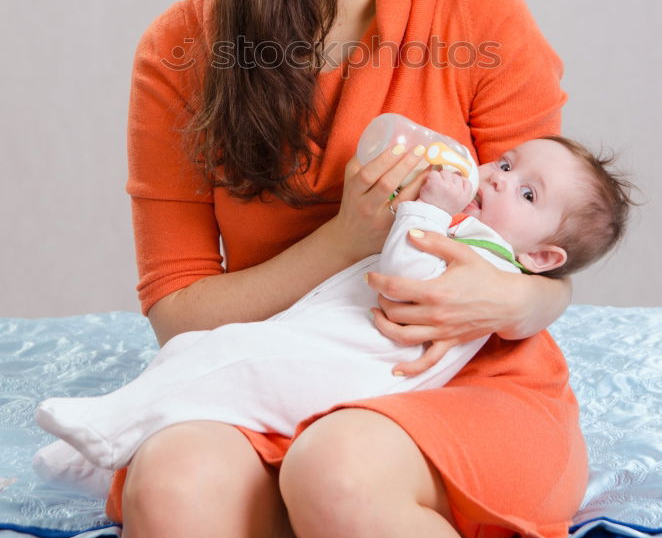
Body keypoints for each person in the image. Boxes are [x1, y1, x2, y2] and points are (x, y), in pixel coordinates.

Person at [110, 0, 593, 538]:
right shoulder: (183, 49)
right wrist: (348, 239)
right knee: (173, 488)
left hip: (450, 382)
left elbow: (536, 258)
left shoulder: (481, 15)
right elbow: (181, 315)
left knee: (336, 470)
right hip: (264, 374)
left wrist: (527, 297)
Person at [34, 134, 630, 476]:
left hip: (351, 372)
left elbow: (408, 275)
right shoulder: (471, 231)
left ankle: (105, 441)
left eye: (527, 193)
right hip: (320, 348)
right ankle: (94, 447)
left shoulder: (492, 261)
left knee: (228, 364)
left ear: (545, 258)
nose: (498, 179)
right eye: (505, 163)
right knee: (202, 356)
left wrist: (422, 210)